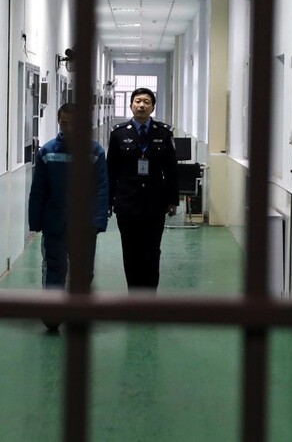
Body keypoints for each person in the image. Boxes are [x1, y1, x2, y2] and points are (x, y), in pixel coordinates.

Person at [28, 102, 110, 332]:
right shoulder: (47, 151)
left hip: (85, 225)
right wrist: (36, 221)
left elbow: (101, 189)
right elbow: (39, 189)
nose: (69, 128)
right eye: (64, 123)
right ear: (58, 121)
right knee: (55, 268)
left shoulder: (95, 152)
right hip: (56, 223)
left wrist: (97, 222)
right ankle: (53, 314)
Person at [108, 87, 179, 290]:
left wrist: (173, 200)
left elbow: (171, 170)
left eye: (146, 102)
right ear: (130, 105)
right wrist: (108, 201)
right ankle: (134, 296)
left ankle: (149, 297)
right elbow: (111, 170)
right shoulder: (119, 133)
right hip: (127, 204)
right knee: (130, 252)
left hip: (155, 204)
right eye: (137, 101)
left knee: (152, 251)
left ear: (153, 107)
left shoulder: (163, 133)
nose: (141, 105)